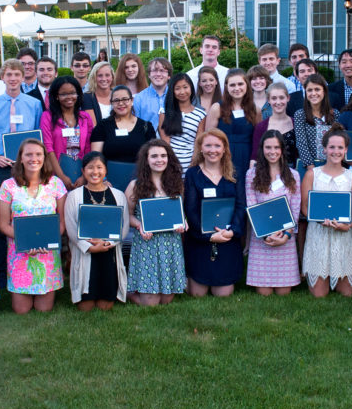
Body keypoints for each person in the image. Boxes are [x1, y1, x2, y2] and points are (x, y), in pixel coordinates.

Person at [0, 137, 66, 313]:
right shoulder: (7, 186)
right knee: (22, 310)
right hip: (20, 252)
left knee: (44, 309)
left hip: (47, 253)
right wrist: (28, 243)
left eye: (38, 154)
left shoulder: (56, 184)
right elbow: (3, 225)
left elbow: (62, 222)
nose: (33, 158)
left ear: (44, 157)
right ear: (20, 158)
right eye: (28, 154)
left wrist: (47, 242)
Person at [182, 129, 245, 297]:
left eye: (217, 145)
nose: (213, 150)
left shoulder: (235, 173)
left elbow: (241, 206)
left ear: (224, 149)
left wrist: (231, 231)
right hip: (200, 240)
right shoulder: (192, 174)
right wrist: (208, 236)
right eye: (208, 145)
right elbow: (191, 210)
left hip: (227, 238)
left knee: (223, 293)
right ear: (201, 148)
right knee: (197, 293)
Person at [63, 151, 129, 311]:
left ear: (106, 170)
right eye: (90, 167)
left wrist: (107, 243)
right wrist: (89, 247)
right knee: (86, 306)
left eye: (99, 167)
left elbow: (124, 226)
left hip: (109, 252)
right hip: (85, 253)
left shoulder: (118, 196)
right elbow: (71, 228)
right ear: (83, 171)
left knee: (105, 305)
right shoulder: (74, 196)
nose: (95, 172)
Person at [125, 140, 188, 306]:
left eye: (163, 156)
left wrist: (184, 222)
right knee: (150, 304)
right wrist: (139, 225)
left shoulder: (177, 184)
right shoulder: (135, 186)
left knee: (166, 300)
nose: (159, 160)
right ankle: (127, 291)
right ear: (146, 160)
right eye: (154, 156)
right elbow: (127, 216)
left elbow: (180, 213)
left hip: (170, 243)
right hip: (147, 243)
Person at [301, 128, 352, 297]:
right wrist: (320, 220)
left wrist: (346, 226)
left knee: (346, 294)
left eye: (340, 148)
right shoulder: (312, 174)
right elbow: (305, 207)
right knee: (319, 294)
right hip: (319, 234)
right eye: (332, 147)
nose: (336, 151)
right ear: (325, 149)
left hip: (344, 236)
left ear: (346, 150)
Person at [245, 131, 301, 295]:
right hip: (262, 237)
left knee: (284, 292)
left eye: (276, 147)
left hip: (285, 237)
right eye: (268, 147)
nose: (272, 151)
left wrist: (287, 235)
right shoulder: (251, 175)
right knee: (264, 292)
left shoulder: (294, 175)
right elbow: (251, 205)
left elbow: (295, 208)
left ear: (282, 149)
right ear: (262, 149)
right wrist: (265, 235)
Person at [204, 69, 258, 182]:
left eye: (240, 84)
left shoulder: (255, 109)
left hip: (246, 157)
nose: (236, 88)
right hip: (223, 157)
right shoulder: (217, 108)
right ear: (227, 87)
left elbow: (257, 137)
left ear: (247, 85)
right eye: (232, 85)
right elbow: (208, 138)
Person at [41, 76, 96, 187]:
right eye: (64, 94)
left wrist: (84, 176)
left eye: (72, 93)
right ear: (56, 96)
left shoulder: (85, 117)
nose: (69, 97)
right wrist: (61, 176)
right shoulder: (47, 117)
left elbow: (88, 148)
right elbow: (48, 148)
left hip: (81, 174)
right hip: (55, 175)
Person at [91, 85, 156, 164]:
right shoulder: (102, 126)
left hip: (139, 174)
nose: (121, 103)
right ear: (111, 103)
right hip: (111, 174)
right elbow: (95, 158)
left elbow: (153, 155)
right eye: (116, 100)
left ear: (132, 101)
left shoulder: (146, 127)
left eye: (125, 99)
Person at [158, 74, 206, 165]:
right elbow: (165, 142)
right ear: (172, 91)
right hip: (170, 162)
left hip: (191, 163)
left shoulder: (201, 114)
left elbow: (198, 142)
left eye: (185, 87)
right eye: (177, 88)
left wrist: (193, 162)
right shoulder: (164, 112)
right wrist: (172, 163)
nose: (182, 92)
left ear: (191, 88)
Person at [292, 74, 335, 164]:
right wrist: (309, 166)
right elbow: (301, 143)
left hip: (332, 164)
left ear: (324, 91)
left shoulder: (334, 114)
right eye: (310, 90)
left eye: (317, 89)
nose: (313, 93)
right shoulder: (300, 115)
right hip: (310, 165)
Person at [251, 83, 297, 164]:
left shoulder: (296, 124)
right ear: (268, 100)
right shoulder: (261, 127)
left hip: (293, 174)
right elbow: (255, 156)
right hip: (267, 173)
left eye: (281, 98)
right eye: (274, 98)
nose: (278, 102)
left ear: (288, 98)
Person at [133, 57, 173, 129]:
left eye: (162, 71)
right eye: (154, 70)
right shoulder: (139, 99)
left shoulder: (175, 96)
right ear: (149, 75)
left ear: (169, 75)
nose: (158, 74)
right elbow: (135, 126)